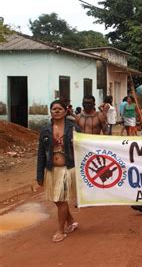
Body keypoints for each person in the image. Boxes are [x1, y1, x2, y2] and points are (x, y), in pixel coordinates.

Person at [37, 100, 80, 243]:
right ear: (50, 111)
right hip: (51, 170)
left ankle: (60, 230)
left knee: (61, 200)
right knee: (56, 199)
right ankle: (71, 221)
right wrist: (39, 175)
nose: (56, 111)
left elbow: (82, 149)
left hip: (67, 169)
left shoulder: (73, 128)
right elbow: (41, 153)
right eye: (53, 109)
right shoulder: (45, 130)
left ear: (66, 111)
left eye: (59, 108)